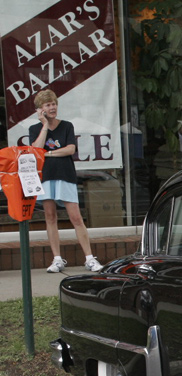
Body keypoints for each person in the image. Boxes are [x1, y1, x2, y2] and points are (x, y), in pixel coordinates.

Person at [28, 89, 102, 273]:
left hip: (66, 175)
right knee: (50, 217)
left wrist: (49, 153)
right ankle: (57, 259)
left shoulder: (67, 126)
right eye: (48, 105)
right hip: (46, 177)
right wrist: (44, 125)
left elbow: (70, 149)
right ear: (40, 109)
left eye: (54, 104)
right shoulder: (34, 129)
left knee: (76, 218)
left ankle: (89, 258)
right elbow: (36, 149)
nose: (52, 108)